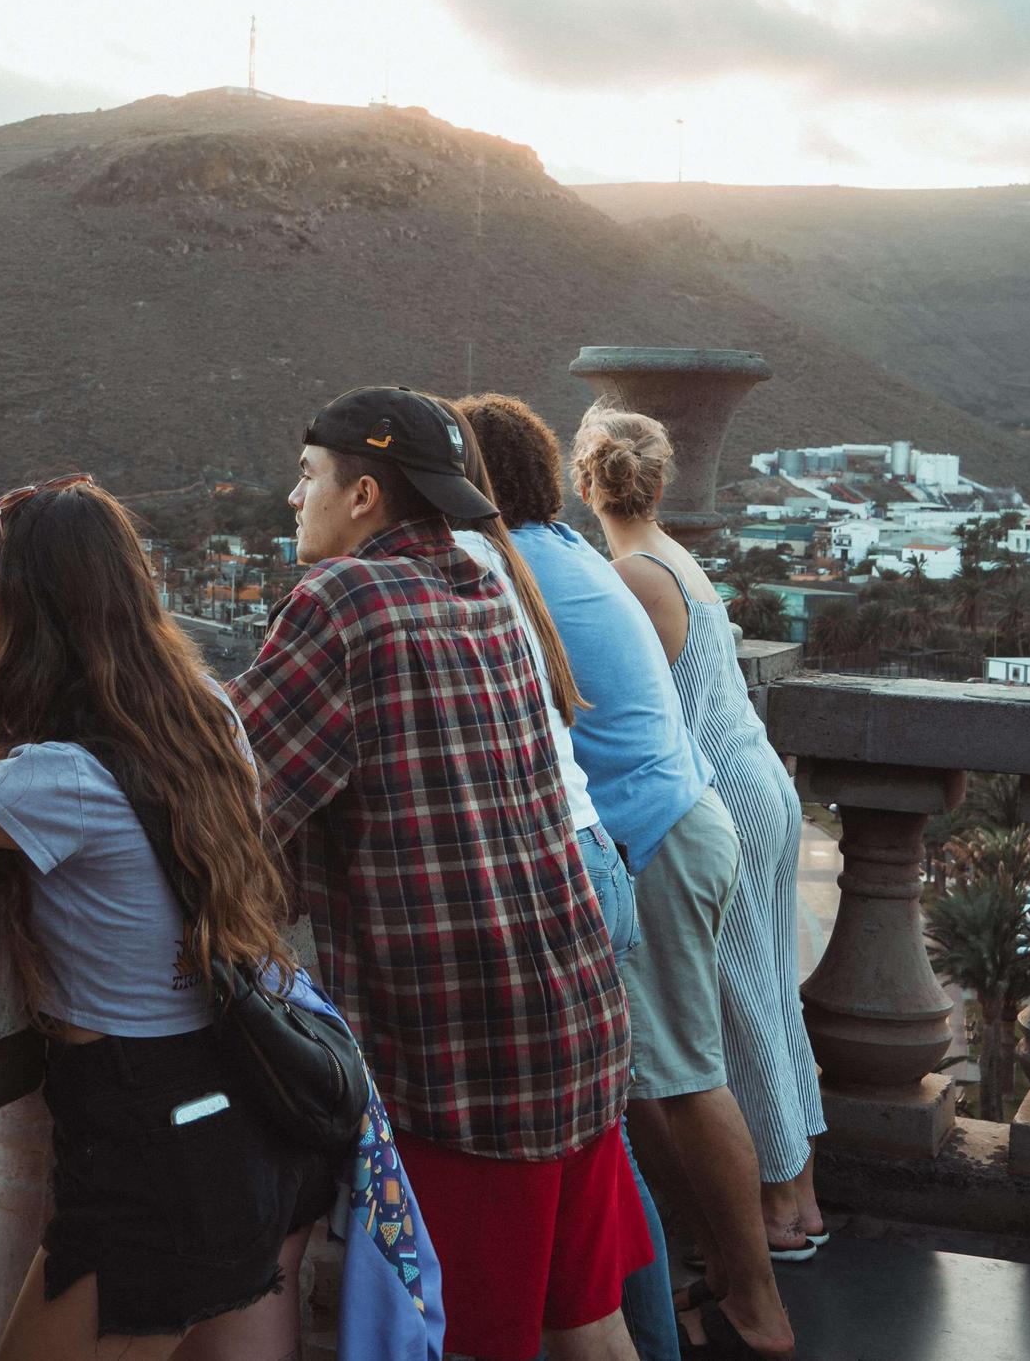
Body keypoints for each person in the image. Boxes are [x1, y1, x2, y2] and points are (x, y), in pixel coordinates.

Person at [0, 476, 343, 1361]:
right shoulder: (210, 718)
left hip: (147, 1144)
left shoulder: (62, 784)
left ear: (8, 594)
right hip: (238, 1116)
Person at [232, 386, 651, 1361]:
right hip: (574, 1018)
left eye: (307, 477)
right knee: (586, 1323)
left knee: (458, 1337)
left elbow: (222, 799)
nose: (293, 498)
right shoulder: (483, 585)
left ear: (364, 491)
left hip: (462, 1059)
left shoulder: (344, 599)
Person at [456, 393, 795, 1361]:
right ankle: (689, 1291)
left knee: (679, 1077)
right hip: (678, 817)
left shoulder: (513, 570)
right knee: (647, 1083)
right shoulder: (561, 553)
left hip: (650, 836)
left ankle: (755, 1299)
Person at [435, 397, 681, 1361]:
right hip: (613, 851)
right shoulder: (554, 553)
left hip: (581, 857)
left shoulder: (489, 566)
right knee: (599, 1168)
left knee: (597, 1169)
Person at [571, 408, 829, 1261]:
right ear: (661, 478)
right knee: (767, 989)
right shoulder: (675, 557)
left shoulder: (631, 573)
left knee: (741, 1002)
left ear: (584, 481)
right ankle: (800, 1195)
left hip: (719, 788)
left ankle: (779, 1208)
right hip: (760, 782)